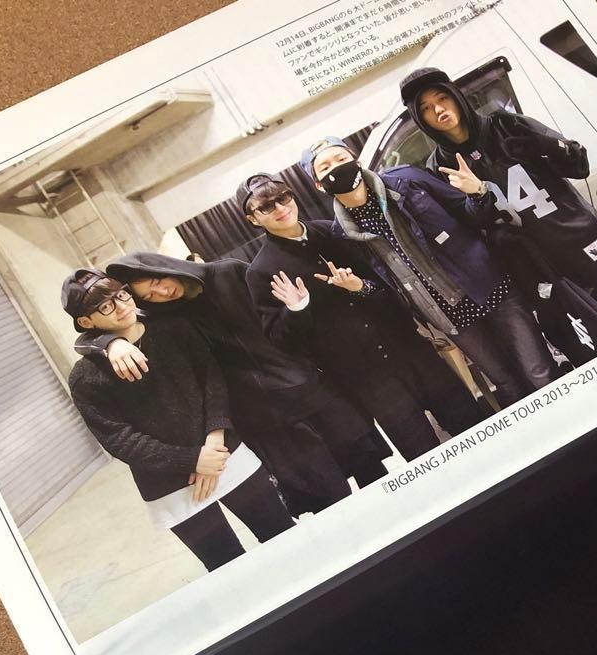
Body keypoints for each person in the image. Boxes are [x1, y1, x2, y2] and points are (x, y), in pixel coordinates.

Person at [73, 251, 390, 516]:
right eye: (148, 296)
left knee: (376, 479)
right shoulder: (165, 317)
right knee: (331, 504)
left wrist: (297, 310)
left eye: (157, 282)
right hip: (267, 421)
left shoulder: (230, 273)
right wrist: (108, 343)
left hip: (312, 393)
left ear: (162, 266)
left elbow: (285, 328)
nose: (162, 293)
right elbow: (94, 332)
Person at [239, 172, 483, 462]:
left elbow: (388, 286)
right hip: (366, 379)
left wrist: (360, 287)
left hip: (410, 350)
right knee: (423, 458)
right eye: (267, 206)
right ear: (253, 219)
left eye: (283, 197)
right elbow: (283, 342)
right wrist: (297, 309)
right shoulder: (262, 272)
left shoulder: (335, 231)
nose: (280, 208)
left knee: (473, 425)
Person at [61, 269, 295, 570]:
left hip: (224, 454)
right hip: (170, 484)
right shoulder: (85, 377)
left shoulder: (173, 328)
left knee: (283, 536)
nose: (121, 306)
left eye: (121, 295)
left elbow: (213, 380)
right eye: (106, 306)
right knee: (227, 567)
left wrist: (214, 441)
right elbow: (118, 439)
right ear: (85, 322)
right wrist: (192, 460)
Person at [303, 135, 558, 408]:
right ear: (319, 185)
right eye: (325, 167)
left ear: (356, 160)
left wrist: (478, 193)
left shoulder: (407, 181)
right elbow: (383, 287)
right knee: (505, 383)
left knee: (539, 372)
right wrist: (359, 287)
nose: (337, 168)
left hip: (491, 288)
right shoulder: (343, 234)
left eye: (341, 159)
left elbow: (471, 215)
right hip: (447, 316)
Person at [399, 67, 597, 337]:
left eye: (442, 98)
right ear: (420, 119)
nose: (438, 109)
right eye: (426, 108)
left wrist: (544, 145)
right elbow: (470, 227)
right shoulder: (440, 167)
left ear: (456, 96)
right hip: (541, 272)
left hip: (583, 244)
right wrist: (477, 195)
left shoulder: (506, 125)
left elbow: (579, 165)